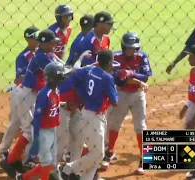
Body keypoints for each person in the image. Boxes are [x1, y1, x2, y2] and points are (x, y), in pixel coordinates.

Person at [0, 29, 62, 178]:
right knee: (30, 129)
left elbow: (62, 65)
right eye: (52, 42)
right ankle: (15, 160)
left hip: (31, 94)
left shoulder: (47, 53)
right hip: (27, 94)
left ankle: (14, 159)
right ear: (44, 43)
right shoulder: (41, 56)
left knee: (29, 129)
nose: (55, 45)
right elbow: (61, 70)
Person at [58, 50, 118, 180]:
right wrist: (114, 84)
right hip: (95, 118)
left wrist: (81, 58)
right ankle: (68, 168)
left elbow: (75, 71)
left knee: (95, 155)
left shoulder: (90, 70)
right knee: (98, 154)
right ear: (109, 63)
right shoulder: (108, 78)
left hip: (84, 113)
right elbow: (115, 102)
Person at [102, 32, 152, 175]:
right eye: (128, 47)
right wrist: (135, 79)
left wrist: (131, 75)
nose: (131, 50)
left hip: (137, 95)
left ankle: (145, 158)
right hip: (121, 93)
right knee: (113, 124)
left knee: (141, 127)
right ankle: (109, 152)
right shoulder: (115, 56)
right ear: (123, 46)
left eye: (133, 48)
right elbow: (117, 78)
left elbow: (146, 76)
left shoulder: (142, 56)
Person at [15, 62, 72, 180]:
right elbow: (37, 117)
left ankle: (22, 178)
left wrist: (64, 104)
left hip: (53, 130)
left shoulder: (56, 90)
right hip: (43, 131)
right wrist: (36, 139)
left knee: (50, 163)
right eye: (61, 75)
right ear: (53, 78)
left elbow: (52, 106)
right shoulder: (44, 94)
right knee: (46, 163)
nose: (64, 77)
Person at [0, 26, 39, 160]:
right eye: (35, 38)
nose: (38, 40)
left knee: (29, 126)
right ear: (28, 39)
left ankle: (25, 156)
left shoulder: (42, 54)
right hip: (22, 94)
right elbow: (20, 78)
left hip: (34, 94)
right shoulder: (23, 57)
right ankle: (5, 151)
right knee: (17, 124)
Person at [177, 45, 195, 179]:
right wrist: (186, 106)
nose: (188, 58)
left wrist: (194, 119)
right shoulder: (193, 71)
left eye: (191, 56)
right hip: (193, 106)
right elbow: (192, 93)